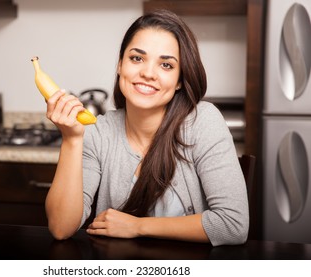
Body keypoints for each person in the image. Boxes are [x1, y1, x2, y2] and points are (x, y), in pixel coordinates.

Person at [44, 9, 249, 246]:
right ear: (120, 65)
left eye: (166, 65)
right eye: (137, 58)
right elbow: (61, 228)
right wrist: (71, 140)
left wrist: (137, 226)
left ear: (180, 80)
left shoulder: (203, 122)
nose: (148, 73)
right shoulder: (98, 132)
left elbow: (233, 225)